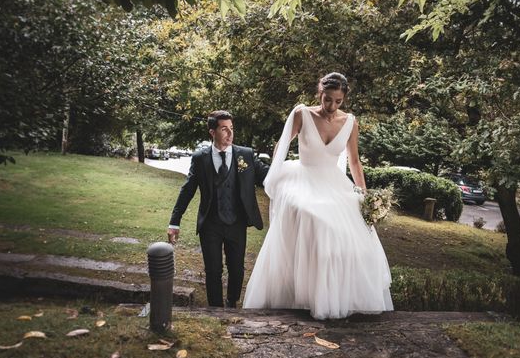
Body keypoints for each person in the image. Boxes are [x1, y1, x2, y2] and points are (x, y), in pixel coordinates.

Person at [243, 72, 393, 319]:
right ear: (319, 94)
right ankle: (299, 294)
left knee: (351, 236)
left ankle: (337, 296)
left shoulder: (350, 122)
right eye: (327, 100)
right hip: (303, 178)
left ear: (344, 99)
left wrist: (365, 196)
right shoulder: (302, 114)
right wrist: (276, 175)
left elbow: (354, 161)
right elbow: (282, 145)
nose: (332, 107)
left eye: (338, 101)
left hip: (333, 183)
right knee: (314, 219)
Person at [168, 110, 269, 308]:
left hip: (236, 222)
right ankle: (215, 309)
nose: (230, 134)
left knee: (237, 269)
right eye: (224, 129)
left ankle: (231, 302)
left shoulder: (245, 155)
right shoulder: (200, 158)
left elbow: (268, 174)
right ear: (212, 132)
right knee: (213, 270)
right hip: (210, 224)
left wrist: (294, 173)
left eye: (231, 129)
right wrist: (174, 221)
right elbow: (187, 190)